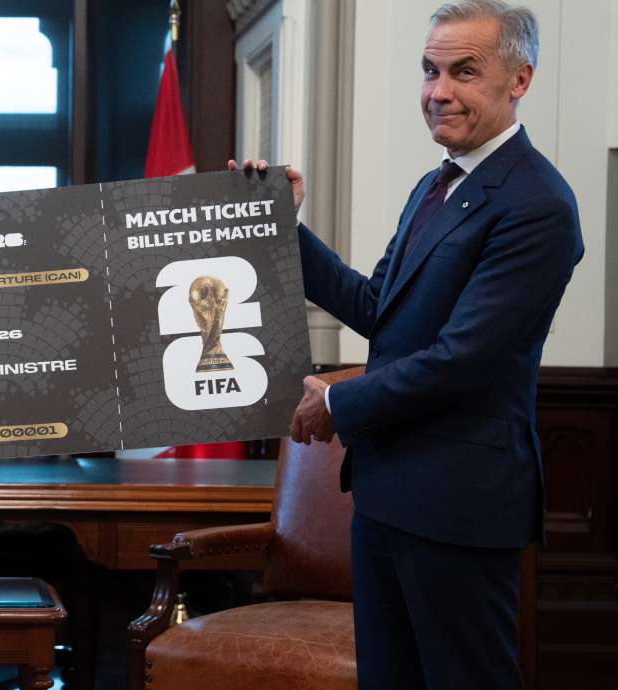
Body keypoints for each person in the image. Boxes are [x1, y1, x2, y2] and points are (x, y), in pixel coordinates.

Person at [232, 1, 581, 688]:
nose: (437, 91)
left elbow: (464, 360)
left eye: (464, 71)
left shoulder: (538, 203)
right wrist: (282, 226)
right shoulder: (437, 185)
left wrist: (336, 402)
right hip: (387, 494)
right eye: (429, 70)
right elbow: (377, 308)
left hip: (460, 507)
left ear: (520, 80)